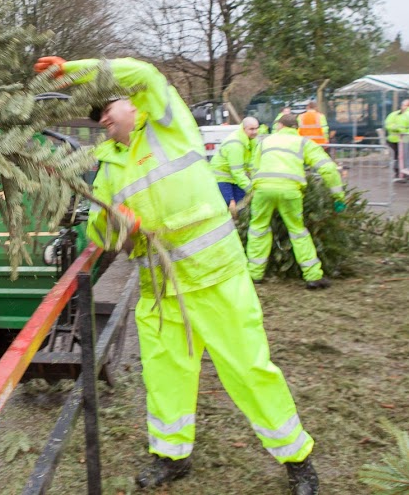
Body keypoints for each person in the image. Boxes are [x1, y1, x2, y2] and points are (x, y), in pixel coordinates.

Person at [34, 56, 318, 495]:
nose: (102, 116)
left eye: (108, 105)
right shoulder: (107, 167)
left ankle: (297, 459)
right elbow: (101, 233)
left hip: (217, 278)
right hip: (161, 290)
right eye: (95, 115)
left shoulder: (168, 122)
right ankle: (171, 455)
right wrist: (119, 226)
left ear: (132, 103)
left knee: (249, 369)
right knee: (165, 378)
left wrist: (74, 71)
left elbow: (144, 74)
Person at [247, 114, 344, 290]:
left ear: (280, 125)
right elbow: (328, 168)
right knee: (297, 231)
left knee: (258, 229)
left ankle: (254, 274)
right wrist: (338, 196)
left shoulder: (265, 141)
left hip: (263, 190)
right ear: (295, 128)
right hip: (290, 191)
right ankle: (313, 276)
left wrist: (256, 187)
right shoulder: (302, 142)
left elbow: (254, 167)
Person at [211, 117, 260, 215]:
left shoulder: (253, 141)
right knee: (229, 206)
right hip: (222, 178)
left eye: (256, 128)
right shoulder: (235, 144)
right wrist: (251, 189)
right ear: (243, 129)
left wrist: (256, 182)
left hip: (236, 178)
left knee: (240, 207)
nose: (255, 132)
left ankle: (236, 224)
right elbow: (237, 172)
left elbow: (251, 166)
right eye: (251, 129)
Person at [384, 99, 409, 179]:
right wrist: (398, 128)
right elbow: (388, 125)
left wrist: (400, 129)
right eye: (405, 105)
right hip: (393, 140)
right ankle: (398, 173)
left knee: (404, 158)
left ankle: (404, 174)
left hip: (405, 140)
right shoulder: (393, 115)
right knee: (396, 158)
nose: (406, 107)